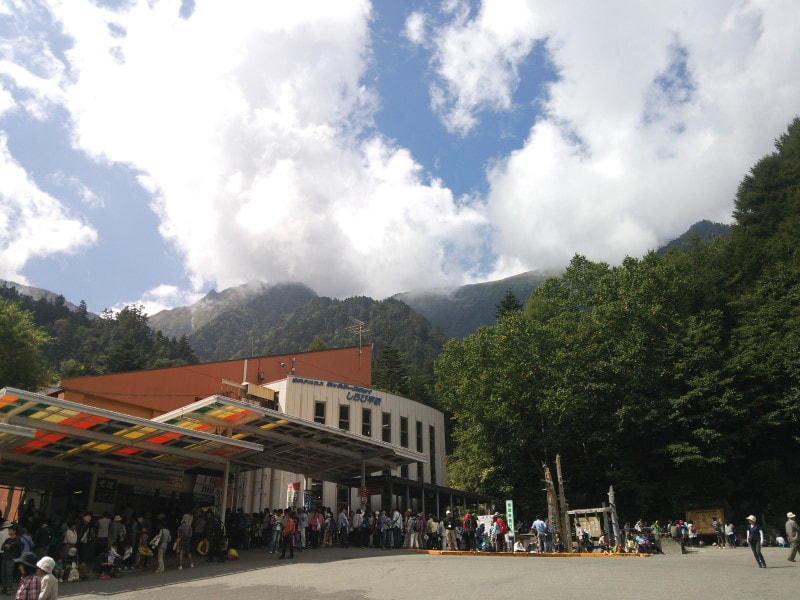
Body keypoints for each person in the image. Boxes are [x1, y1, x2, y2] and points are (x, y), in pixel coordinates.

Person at [2, 524, 23, 595]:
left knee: (9, 574)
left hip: (11, 559)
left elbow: (16, 546)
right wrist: (9, 546)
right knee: (3, 574)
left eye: (10, 530)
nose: (9, 531)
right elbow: (2, 547)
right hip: (4, 558)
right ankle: (4, 588)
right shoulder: (7, 539)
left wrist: (10, 546)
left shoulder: (18, 539)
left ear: (14, 531)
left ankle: (9, 589)